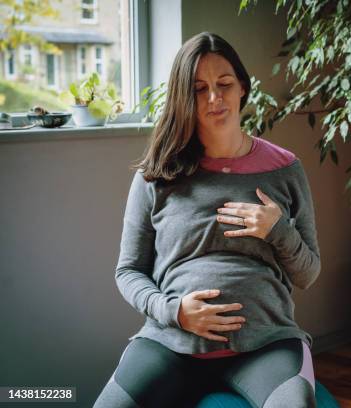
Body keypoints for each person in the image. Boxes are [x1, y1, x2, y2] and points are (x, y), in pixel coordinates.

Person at [94, 32, 320, 408]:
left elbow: (308, 273)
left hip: (266, 344)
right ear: (184, 97)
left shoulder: (285, 169)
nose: (215, 98)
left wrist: (278, 231)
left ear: (243, 88)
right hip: (170, 343)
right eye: (199, 89)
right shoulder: (157, 175)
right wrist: (174, 311)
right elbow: (128, 271)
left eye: (224, 84)